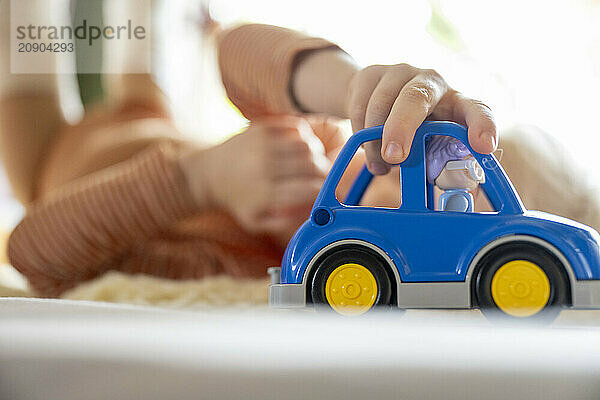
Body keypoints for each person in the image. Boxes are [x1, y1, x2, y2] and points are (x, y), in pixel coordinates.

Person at [2, 1, 594, 298]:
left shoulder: (239, 272)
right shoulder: (338, 152)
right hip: (151, 111)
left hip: (51, 157)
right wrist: (351, 89)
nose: (408, 179)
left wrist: (199, 182)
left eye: (456, 205)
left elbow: (33, 252)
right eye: (440, 159)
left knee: (27, 28)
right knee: (140, 34)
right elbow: (237, 52)